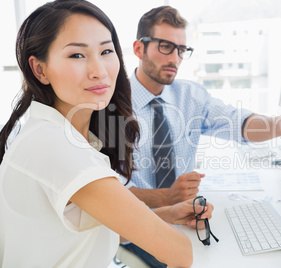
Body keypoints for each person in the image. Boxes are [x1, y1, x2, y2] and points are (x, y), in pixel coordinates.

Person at [0, 1, 214, 267]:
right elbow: (180, 253)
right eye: (77, 55)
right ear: (40, 69)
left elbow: (99, 222)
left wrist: (168, 213)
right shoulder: (55, 147)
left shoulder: (60, 134)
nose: (99, 71)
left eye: (106, 51)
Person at [123, 5, 281, 267]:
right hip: (133, 228)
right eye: (165, 46)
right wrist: (165, 198)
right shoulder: (111, 104)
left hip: (186, 219)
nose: (175, 58)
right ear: (138, 49)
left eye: (181, 50)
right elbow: (107, 191)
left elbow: (240, 124)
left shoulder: (190, 95)